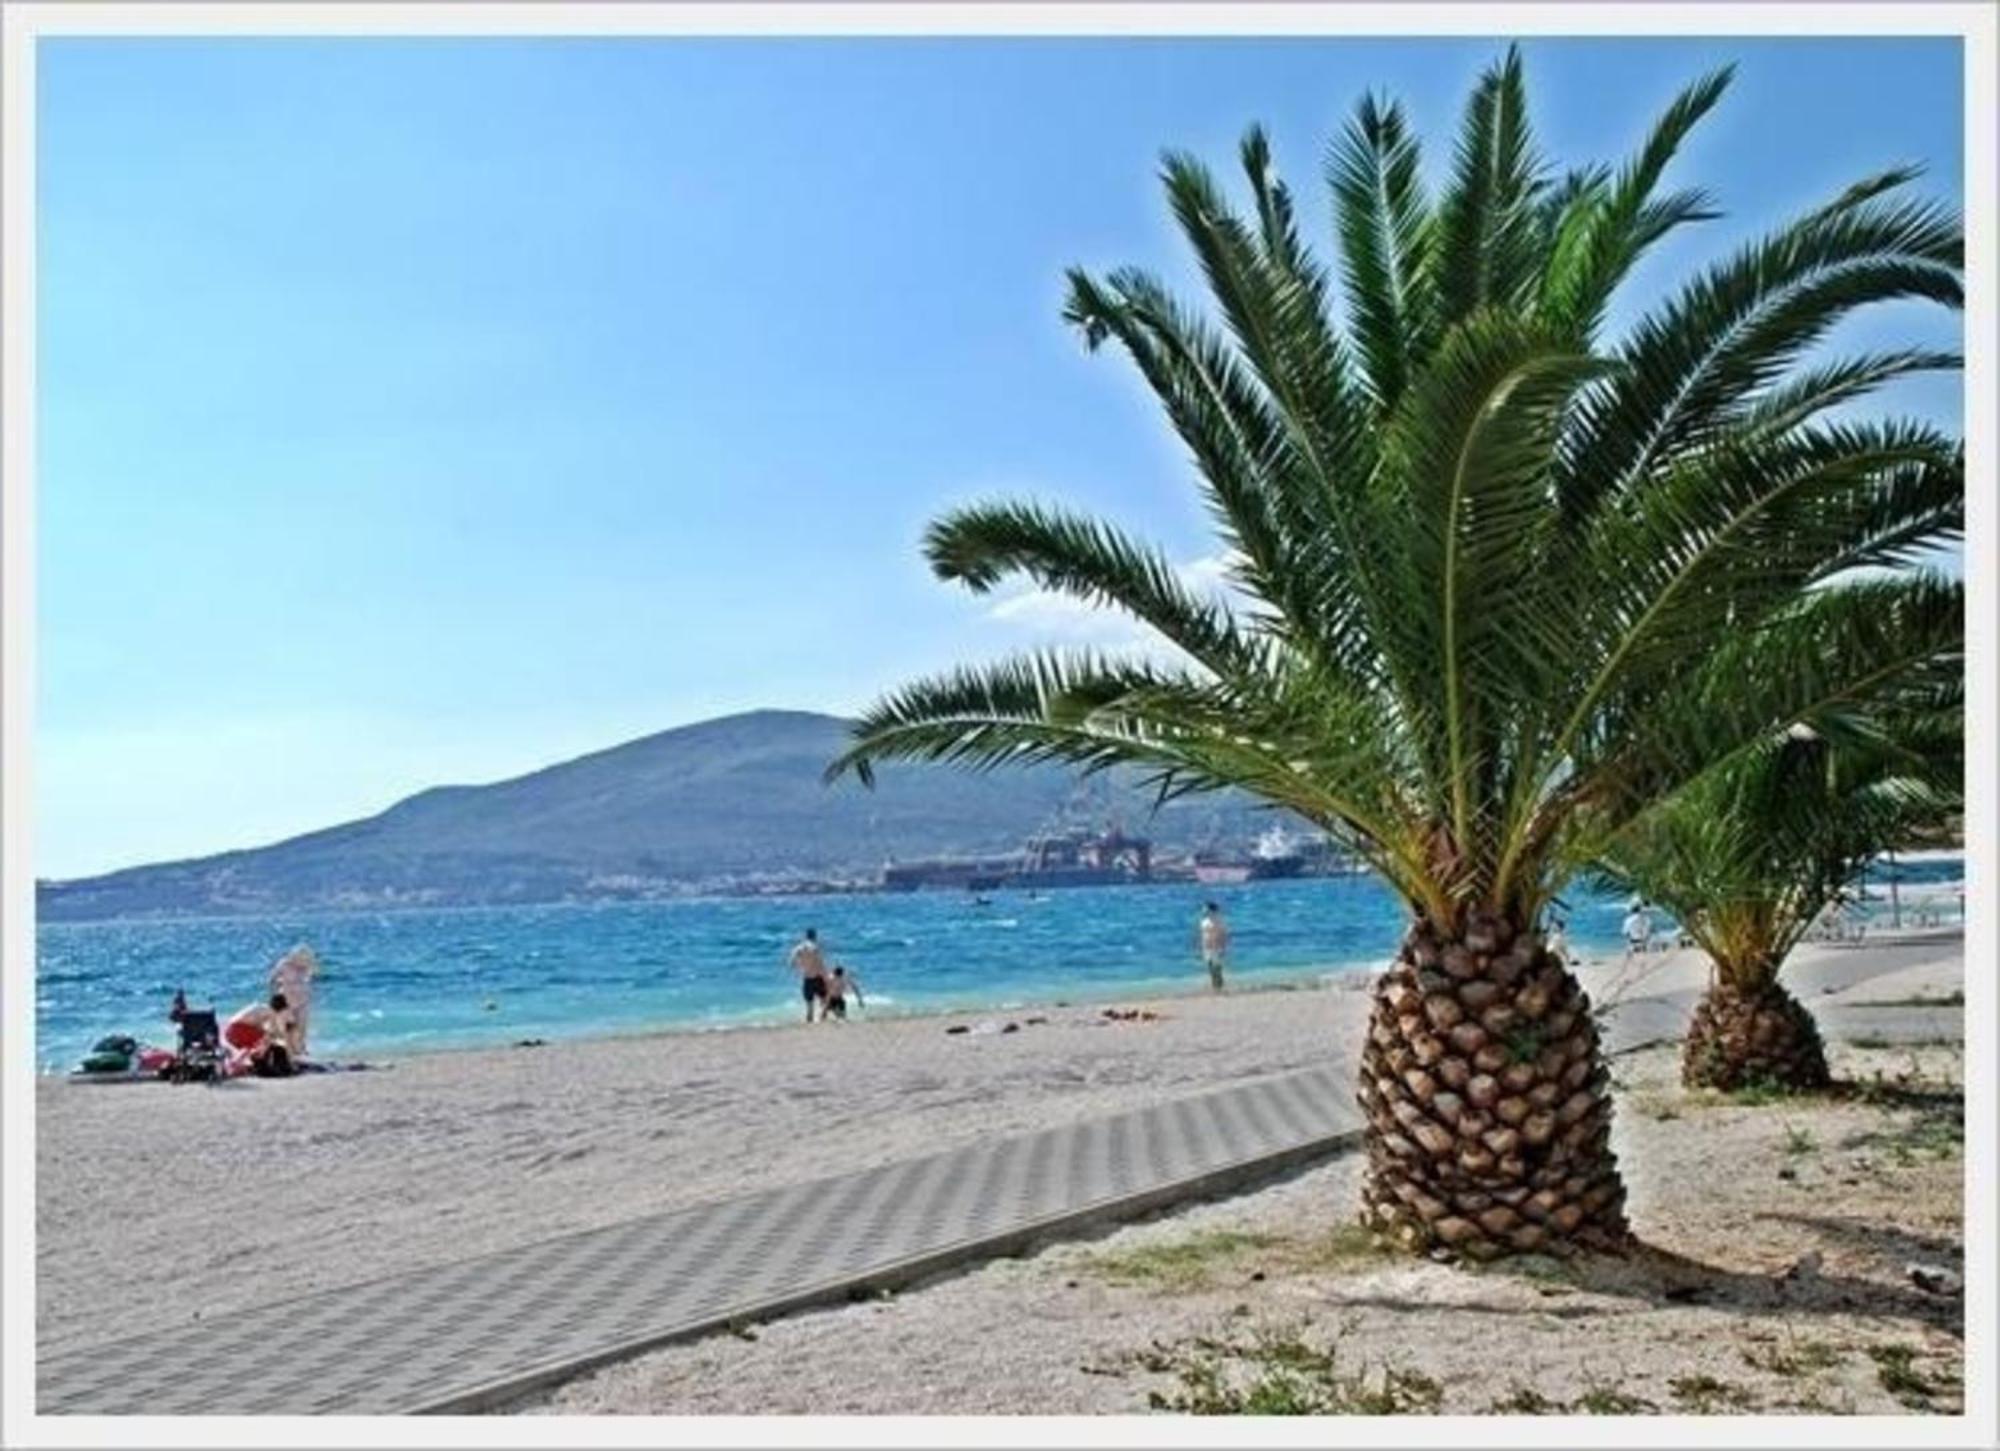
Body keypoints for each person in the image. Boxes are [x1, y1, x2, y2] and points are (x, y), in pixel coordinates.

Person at [268, 945, 320, 1056]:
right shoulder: (284, 964)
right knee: (290, 1028)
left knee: (302, 1028)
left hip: (303, 1001)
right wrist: (275, 997)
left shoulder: (307, 967)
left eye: (305, 959)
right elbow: (271, 979)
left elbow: (315, 975)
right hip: (287, 1000)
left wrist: (311, 963)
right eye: (302, 959)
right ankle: (291, 1052)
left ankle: (301, 1050)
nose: (303, 962)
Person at [790, 928, 829, 1023]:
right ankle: (822, 1019)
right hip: (818, 977)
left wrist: (800, 966)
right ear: (815, 936)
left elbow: (792, 962)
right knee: (824, 999)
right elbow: (821, 964)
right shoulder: (815, 948)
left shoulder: (799, 948)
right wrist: (826, 976)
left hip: (807, 978)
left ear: (806, 936)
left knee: (809, 1004)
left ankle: (810, 1020)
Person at [1197, 901, 1230, 992]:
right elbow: (1202, 935)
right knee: (1210, 966)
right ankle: (1215, 985)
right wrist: (1200, 945)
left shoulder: (1219, 921)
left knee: (1217, 967)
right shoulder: (1203, 922)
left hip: (1216, 947)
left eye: (1206, 908)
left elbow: (1224, 935)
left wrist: (1224, 947)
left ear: (1211, 910)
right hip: (1207, 947)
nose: (1204, 910)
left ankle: (1219, 985)